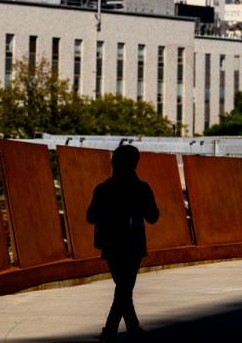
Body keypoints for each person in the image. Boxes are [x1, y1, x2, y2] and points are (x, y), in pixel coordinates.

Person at [86, 143, 160, 342]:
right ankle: (118, 330)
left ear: (114, 163)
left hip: (110, 245)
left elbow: (90, 217)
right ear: (135, 164)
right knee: (125, 289)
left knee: (123, 288)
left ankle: (119, 330)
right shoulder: (142, 188)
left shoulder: (102, 189)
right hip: (133, 245)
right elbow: (153, 217)